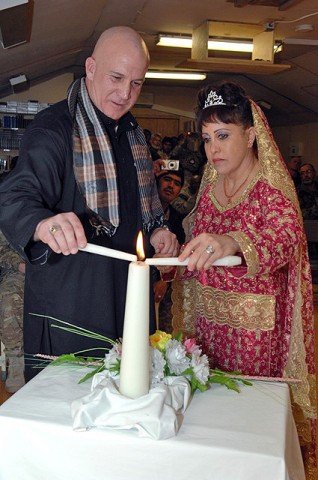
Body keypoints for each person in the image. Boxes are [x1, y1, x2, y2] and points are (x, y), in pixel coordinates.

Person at [0, 26, 178, 382]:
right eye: (116, 77)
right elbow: (15, 195)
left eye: (136, 83)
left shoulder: (134, 134)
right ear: (91, 67)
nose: (125, 93)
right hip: (70, 309)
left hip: (128, 305)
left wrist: (159, 230)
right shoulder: (54, 129)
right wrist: (42, 223)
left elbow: (143, 211)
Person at [172, 82, 316, 477]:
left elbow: (285, 239)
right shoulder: (208, 186)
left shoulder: (271, 192)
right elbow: (198, 240)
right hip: (208, 333)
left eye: (223, 136)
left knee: (246, 432)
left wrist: (234, 239)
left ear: (251, 136)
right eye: (205, 139)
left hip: (254, 338)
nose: (212, 149)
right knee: (208, 427)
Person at [153, 169, 185, 333]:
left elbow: (178, 252)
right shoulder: (142, 212)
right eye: (167, 179)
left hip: (162, 283)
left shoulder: (179, 220)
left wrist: (164, 281)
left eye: (177, 183)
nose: (171, 186)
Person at [0, 230, 25, 393]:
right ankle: (16, 361)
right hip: (17, 269)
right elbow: (1, 249)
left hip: (56, 265)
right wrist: (19, 263)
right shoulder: (6, 208)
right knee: (9, 302)